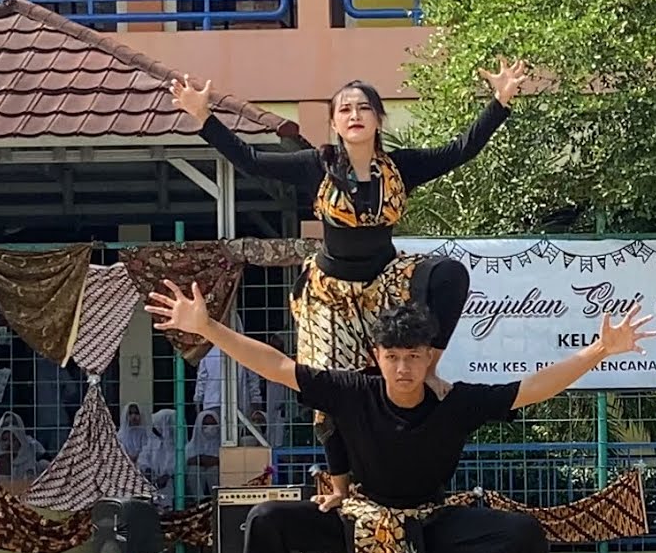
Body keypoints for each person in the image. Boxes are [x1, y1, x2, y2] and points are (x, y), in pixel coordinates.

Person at [145, 280, 656, 553]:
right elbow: (276, 366)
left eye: (414, 357)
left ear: (430, 356)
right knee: (267, 520)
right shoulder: (351, 391)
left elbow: (533, 388)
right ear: (378, 357)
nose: (404, 368)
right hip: (361, 521)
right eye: (393, 357)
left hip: (431, 527)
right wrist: (208, 327)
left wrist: (599, 351)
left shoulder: (455, 404)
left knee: (521, 530)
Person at [169, 60, 527, 450]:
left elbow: (461, 149)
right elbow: (250, 160)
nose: (354, 115)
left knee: (449, 275)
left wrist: (501, 101)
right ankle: (338, 484)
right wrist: (205, 118)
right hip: (331, 292)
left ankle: (430, 370)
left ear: (378, 118)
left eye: (363, 107)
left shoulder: (400, 167)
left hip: (387, 280)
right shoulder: (315, 166)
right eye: (344, 109)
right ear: (334, 124)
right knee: (330, 393)